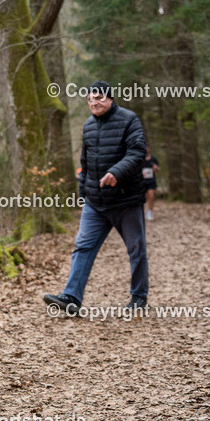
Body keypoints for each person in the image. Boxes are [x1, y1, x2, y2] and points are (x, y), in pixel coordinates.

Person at [43, 81, 149, 314]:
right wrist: (83, 194)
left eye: (99, 97)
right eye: (90, 99)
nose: (94, 102)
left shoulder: (129, 119)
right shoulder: (88, 125)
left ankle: (139, 297)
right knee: (83, 247)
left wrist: (116, 172)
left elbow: (138, 152)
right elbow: (85, 163)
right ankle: (71, 298)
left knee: (136, 249)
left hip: (126, 201)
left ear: (110, 99)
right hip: (95, 203)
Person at [142, 146, 159, 220]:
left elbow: (158, 170)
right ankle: (141, 213)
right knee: (143, 199)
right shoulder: (140, 159)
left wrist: (156, 168)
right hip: (142, 182)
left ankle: (149, 213)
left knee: (151, 197)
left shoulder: (153, 159)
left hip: (151, 181)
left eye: (147, 147)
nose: (146, 149)